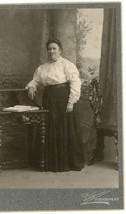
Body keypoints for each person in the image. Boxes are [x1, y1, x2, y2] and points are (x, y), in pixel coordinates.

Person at [25, 39, 84, 172]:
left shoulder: (67, 65)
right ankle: (50, 162)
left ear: (60, 50)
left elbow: (75, 83)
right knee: (48, 128)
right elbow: (36, 80)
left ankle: (65, 163)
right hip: (49, 100)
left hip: (63, 100)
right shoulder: (43, 67)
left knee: (64, 128)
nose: (51, 51)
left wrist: (71, 102)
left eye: (54, 48)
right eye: (49, 49)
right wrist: (31, 87)